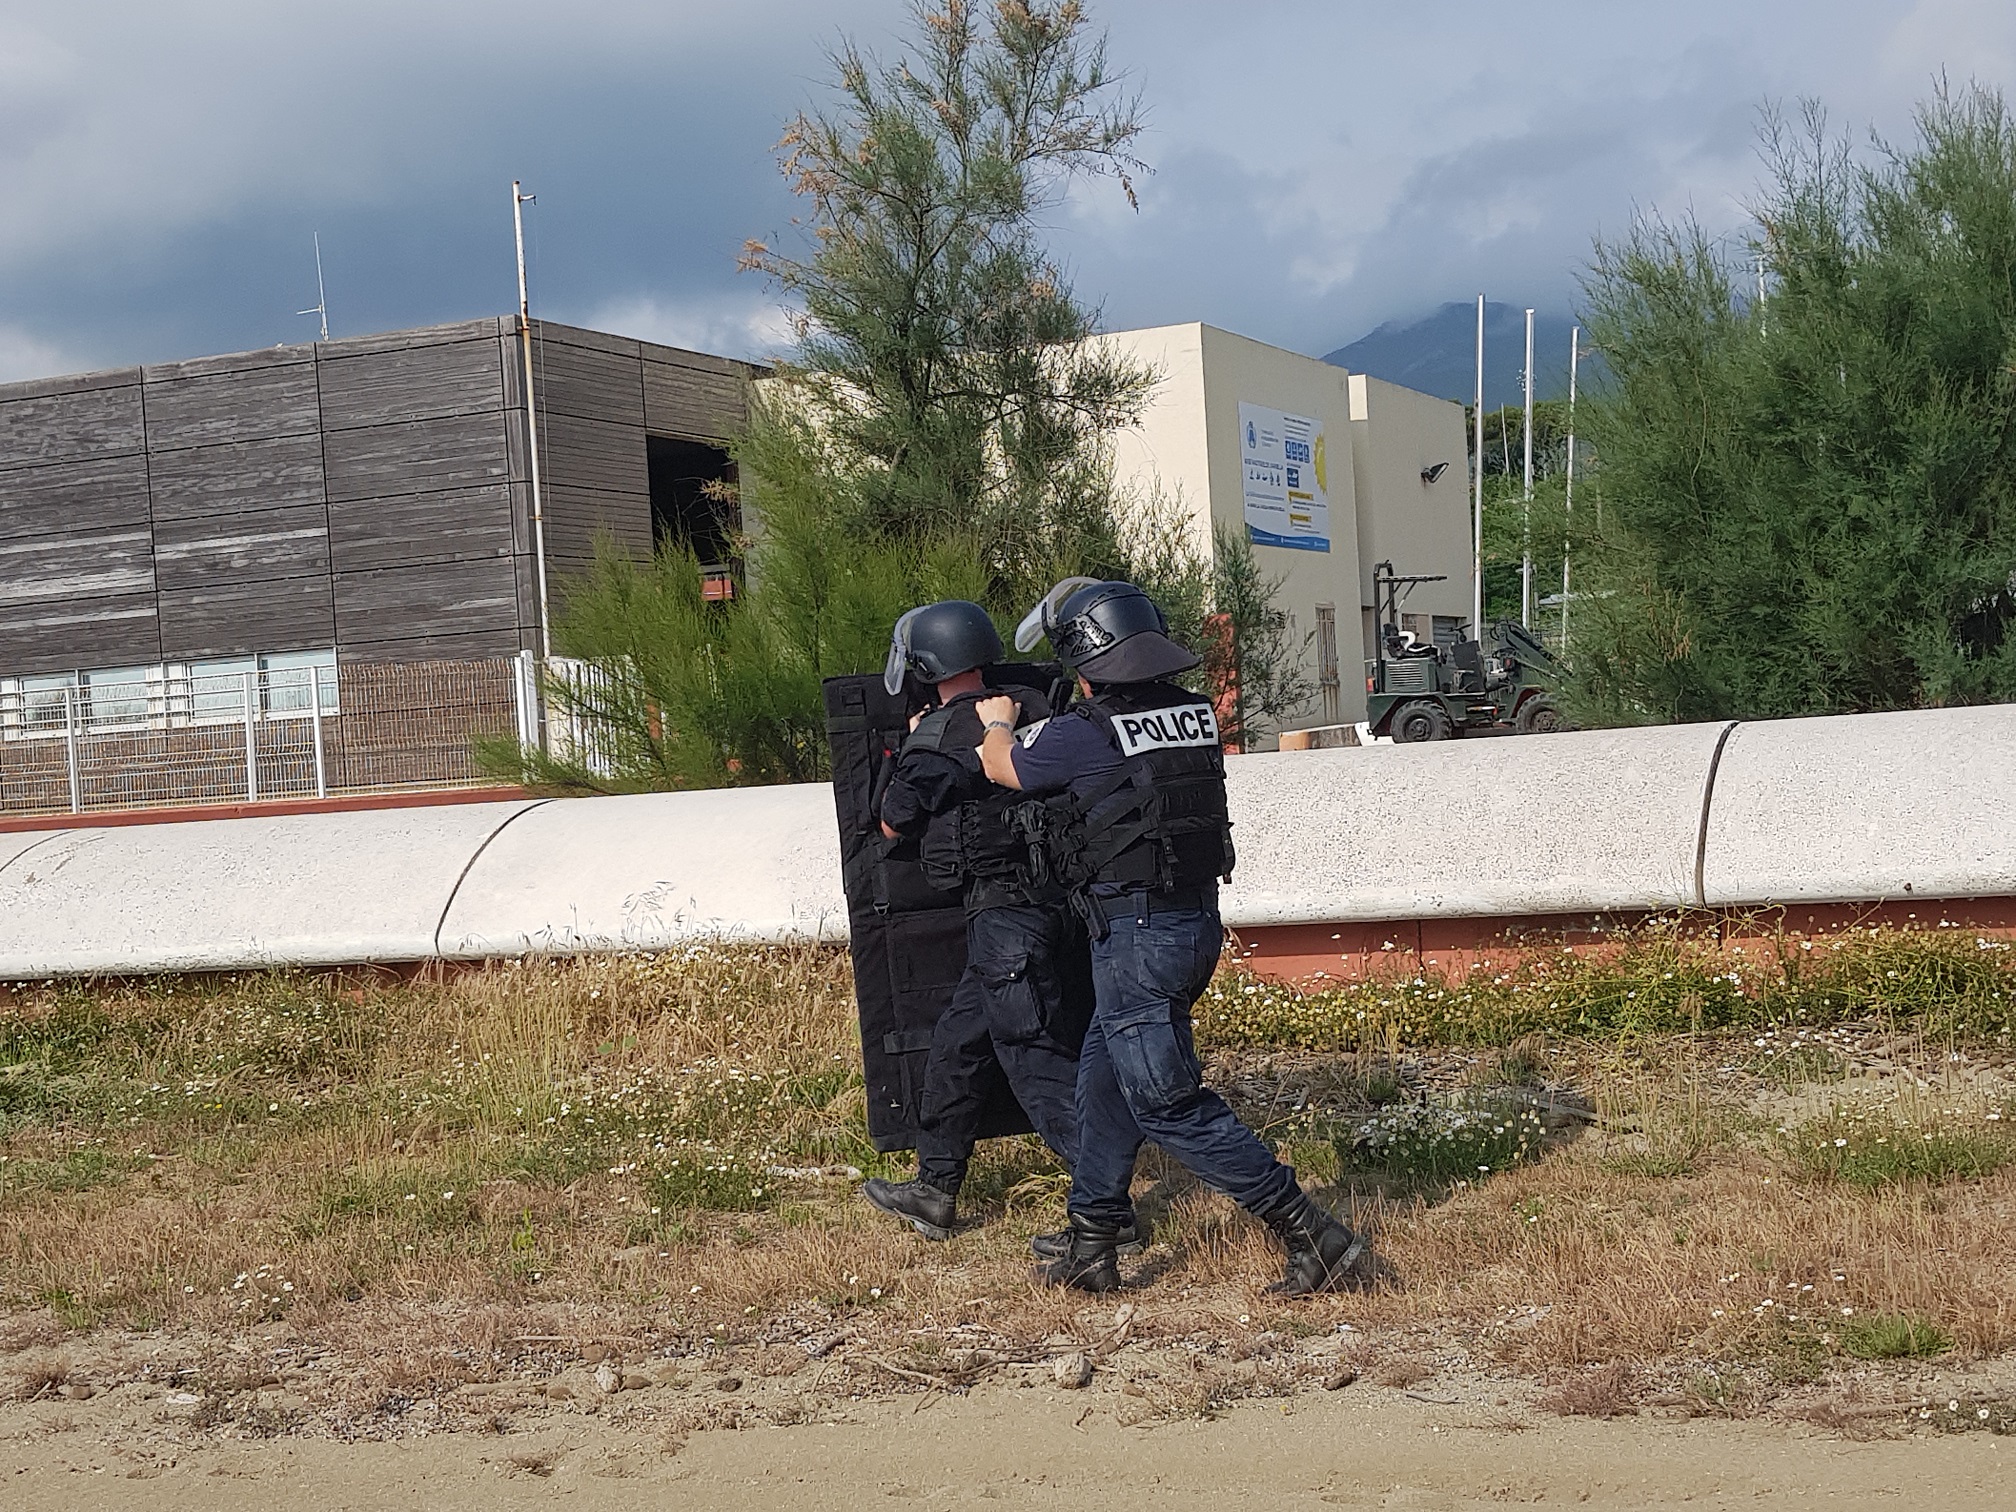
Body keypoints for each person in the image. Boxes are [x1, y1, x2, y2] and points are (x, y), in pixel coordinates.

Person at [973, 578, 1376, 1295]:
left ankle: (1315, 1234)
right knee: (1104, 1083)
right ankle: (1091, 1243)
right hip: (1188, 925)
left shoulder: (1081, 733)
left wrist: (999, 719)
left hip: (1137, 940)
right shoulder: (1193, 715)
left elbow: (1003, 767)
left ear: (1087, 659)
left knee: (1165, 1102)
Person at [860, 599, 1097, 1243]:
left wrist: (909, 744)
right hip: (1062, 907)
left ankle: (1104, 1202)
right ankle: (936, 1189)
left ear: (927, 664)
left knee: (1034, 1058)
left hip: (1007, 920)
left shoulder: (936, 738)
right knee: (960, 1045)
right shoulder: (1037, 706)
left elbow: (889, 821)